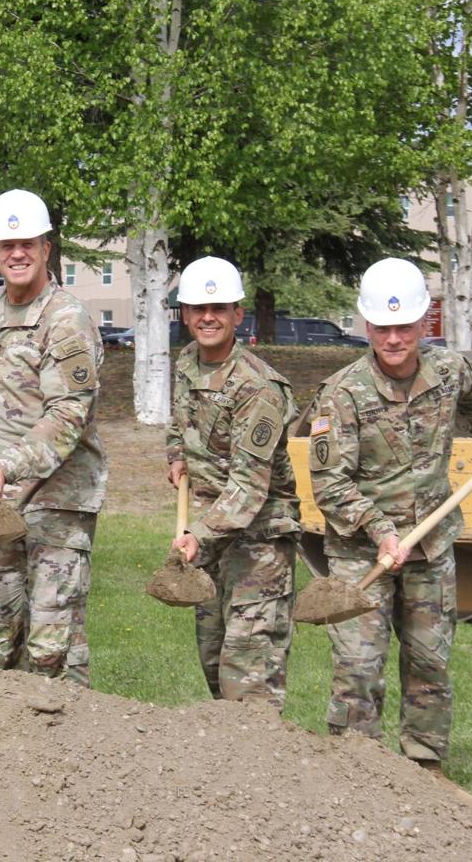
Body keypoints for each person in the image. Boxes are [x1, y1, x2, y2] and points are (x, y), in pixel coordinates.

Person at [309, 257, 472, 812]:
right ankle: (354, 775)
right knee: (358, 663)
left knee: (429, 660)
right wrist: (379, 532)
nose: (394, 339)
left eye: (405, 327)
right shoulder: (341, 394)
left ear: (425, 322)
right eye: (382, 328)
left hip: (431, 546)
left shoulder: (449, 370)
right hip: (360, 551)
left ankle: (427, 772)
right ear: (366, 327)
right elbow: (329, 484)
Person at [0, 189, 107, 686]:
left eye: (27, 244)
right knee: (2, 633)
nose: (16, 254)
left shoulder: (66, 318)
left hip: (57, 499)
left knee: (52, 639)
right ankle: (13, 747)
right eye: (5, 245)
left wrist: (6, 467)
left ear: (46, 248)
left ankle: (69, 742)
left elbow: (69, 413)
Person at [166, 256, 301, 710]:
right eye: (198, 309)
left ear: (237, 315)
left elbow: (249, 486)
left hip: (259, 543)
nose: (208, 318)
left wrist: (195, 537)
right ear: (184, 314)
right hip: (212, 539)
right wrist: (176, 456)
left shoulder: (258, 388)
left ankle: (267, 773)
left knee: (248, 675)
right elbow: (180, 424)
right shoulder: (187, 363)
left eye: (219, 308)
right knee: (213, 661)